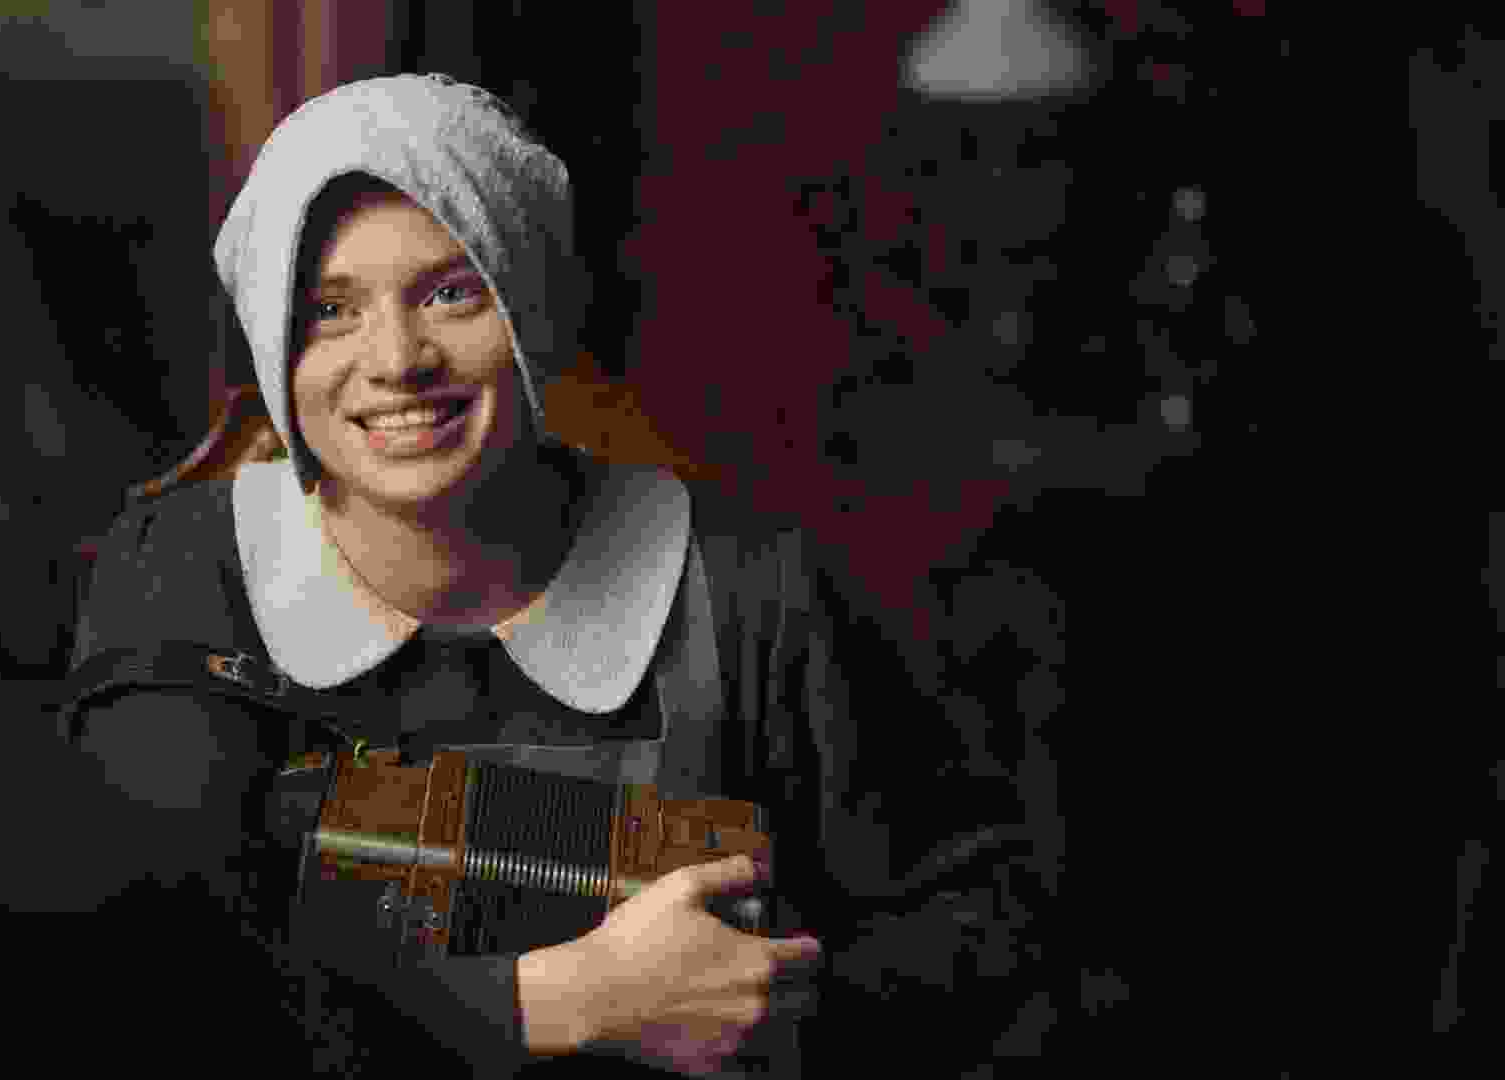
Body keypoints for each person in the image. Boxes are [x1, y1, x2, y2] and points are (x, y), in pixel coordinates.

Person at [59, 73, 1058, 1077]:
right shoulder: (181, 566)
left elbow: (987, 913)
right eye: (329, 309)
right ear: (272, 342)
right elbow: (154, 970)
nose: (397, 359)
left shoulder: (750, 586)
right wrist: (552, 1003)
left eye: (452, 291)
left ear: (530, 304)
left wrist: (780, 1007)